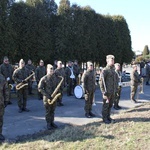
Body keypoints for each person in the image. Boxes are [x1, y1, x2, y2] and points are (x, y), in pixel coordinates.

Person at [38, 64, 58, 130]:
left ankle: (52, 122)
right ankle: (48, 123)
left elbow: (56, 86)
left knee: (53, 110)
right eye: (50, 70)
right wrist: (46, 95)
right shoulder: (44, 78)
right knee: (48, 111)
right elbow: (40, 88)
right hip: (47, 98)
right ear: (47, 70)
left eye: (52, 70)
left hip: (53, 97)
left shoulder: (55, 78)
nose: (51, 71)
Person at [99, 55, 117, 124]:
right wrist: (103, 91)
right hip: (107, 92)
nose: (113, 61)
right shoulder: (105, 70)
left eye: (113, 60)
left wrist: (115, 89)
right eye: (111, 60)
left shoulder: (113, 70)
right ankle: (104, 118)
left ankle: (108, 116)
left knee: (110, 105)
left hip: (112, 91)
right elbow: (101, 82)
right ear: (107, 61)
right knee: (106, 105)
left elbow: (115, 80)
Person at [0, 73, 9, 141]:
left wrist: (6, 100)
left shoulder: (2, 77)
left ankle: (0, 133)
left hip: (1, 102)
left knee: (0, 118)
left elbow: (6, 89)